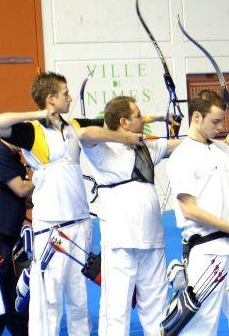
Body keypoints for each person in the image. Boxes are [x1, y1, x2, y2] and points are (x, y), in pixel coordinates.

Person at [0, 72, 106, 335]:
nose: (70, 97)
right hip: (53, 231)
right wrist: (37, 115)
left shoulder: (73, 127)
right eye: (65, 93)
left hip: (80, 223)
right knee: (50, 303)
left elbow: (108, 125)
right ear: (51, 98)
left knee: (79, 300)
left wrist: (157, 119)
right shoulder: (32, 132)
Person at [79, 95, 181, 336]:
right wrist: (123, 137)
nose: (143, 120)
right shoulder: (103, 150)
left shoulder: (146, 146)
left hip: (153, 242)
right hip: (120, 243)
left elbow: (180, 145)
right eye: (138, 116)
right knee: (116, 311)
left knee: (157, 310)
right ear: (123, 122)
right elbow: (84, 135)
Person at [167, 89, 229, 335]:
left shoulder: (223, 151)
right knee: (201, 327)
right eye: (215, 121)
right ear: (196, 117)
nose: (220, 127)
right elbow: (189, 209)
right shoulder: (182, 156)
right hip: (206, 254)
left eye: (222, 121)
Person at [0, 138, 33, 335]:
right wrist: (42, 175)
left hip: (10, 236)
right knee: (2, 294)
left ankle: (21, 329)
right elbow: (21, 189)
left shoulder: (15, 158)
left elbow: (22, 195)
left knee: (13, 291)